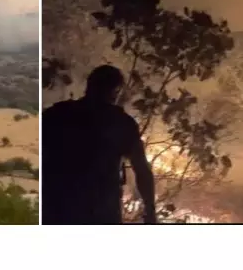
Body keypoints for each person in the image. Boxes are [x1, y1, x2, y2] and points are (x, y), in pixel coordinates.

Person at [41, 65, 156, 224]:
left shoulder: (56, 114)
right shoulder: (122, 123)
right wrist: (150, 210)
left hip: (57, 208)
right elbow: (142, 170)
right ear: (115, 92)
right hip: (100, 211)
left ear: (89, 85)